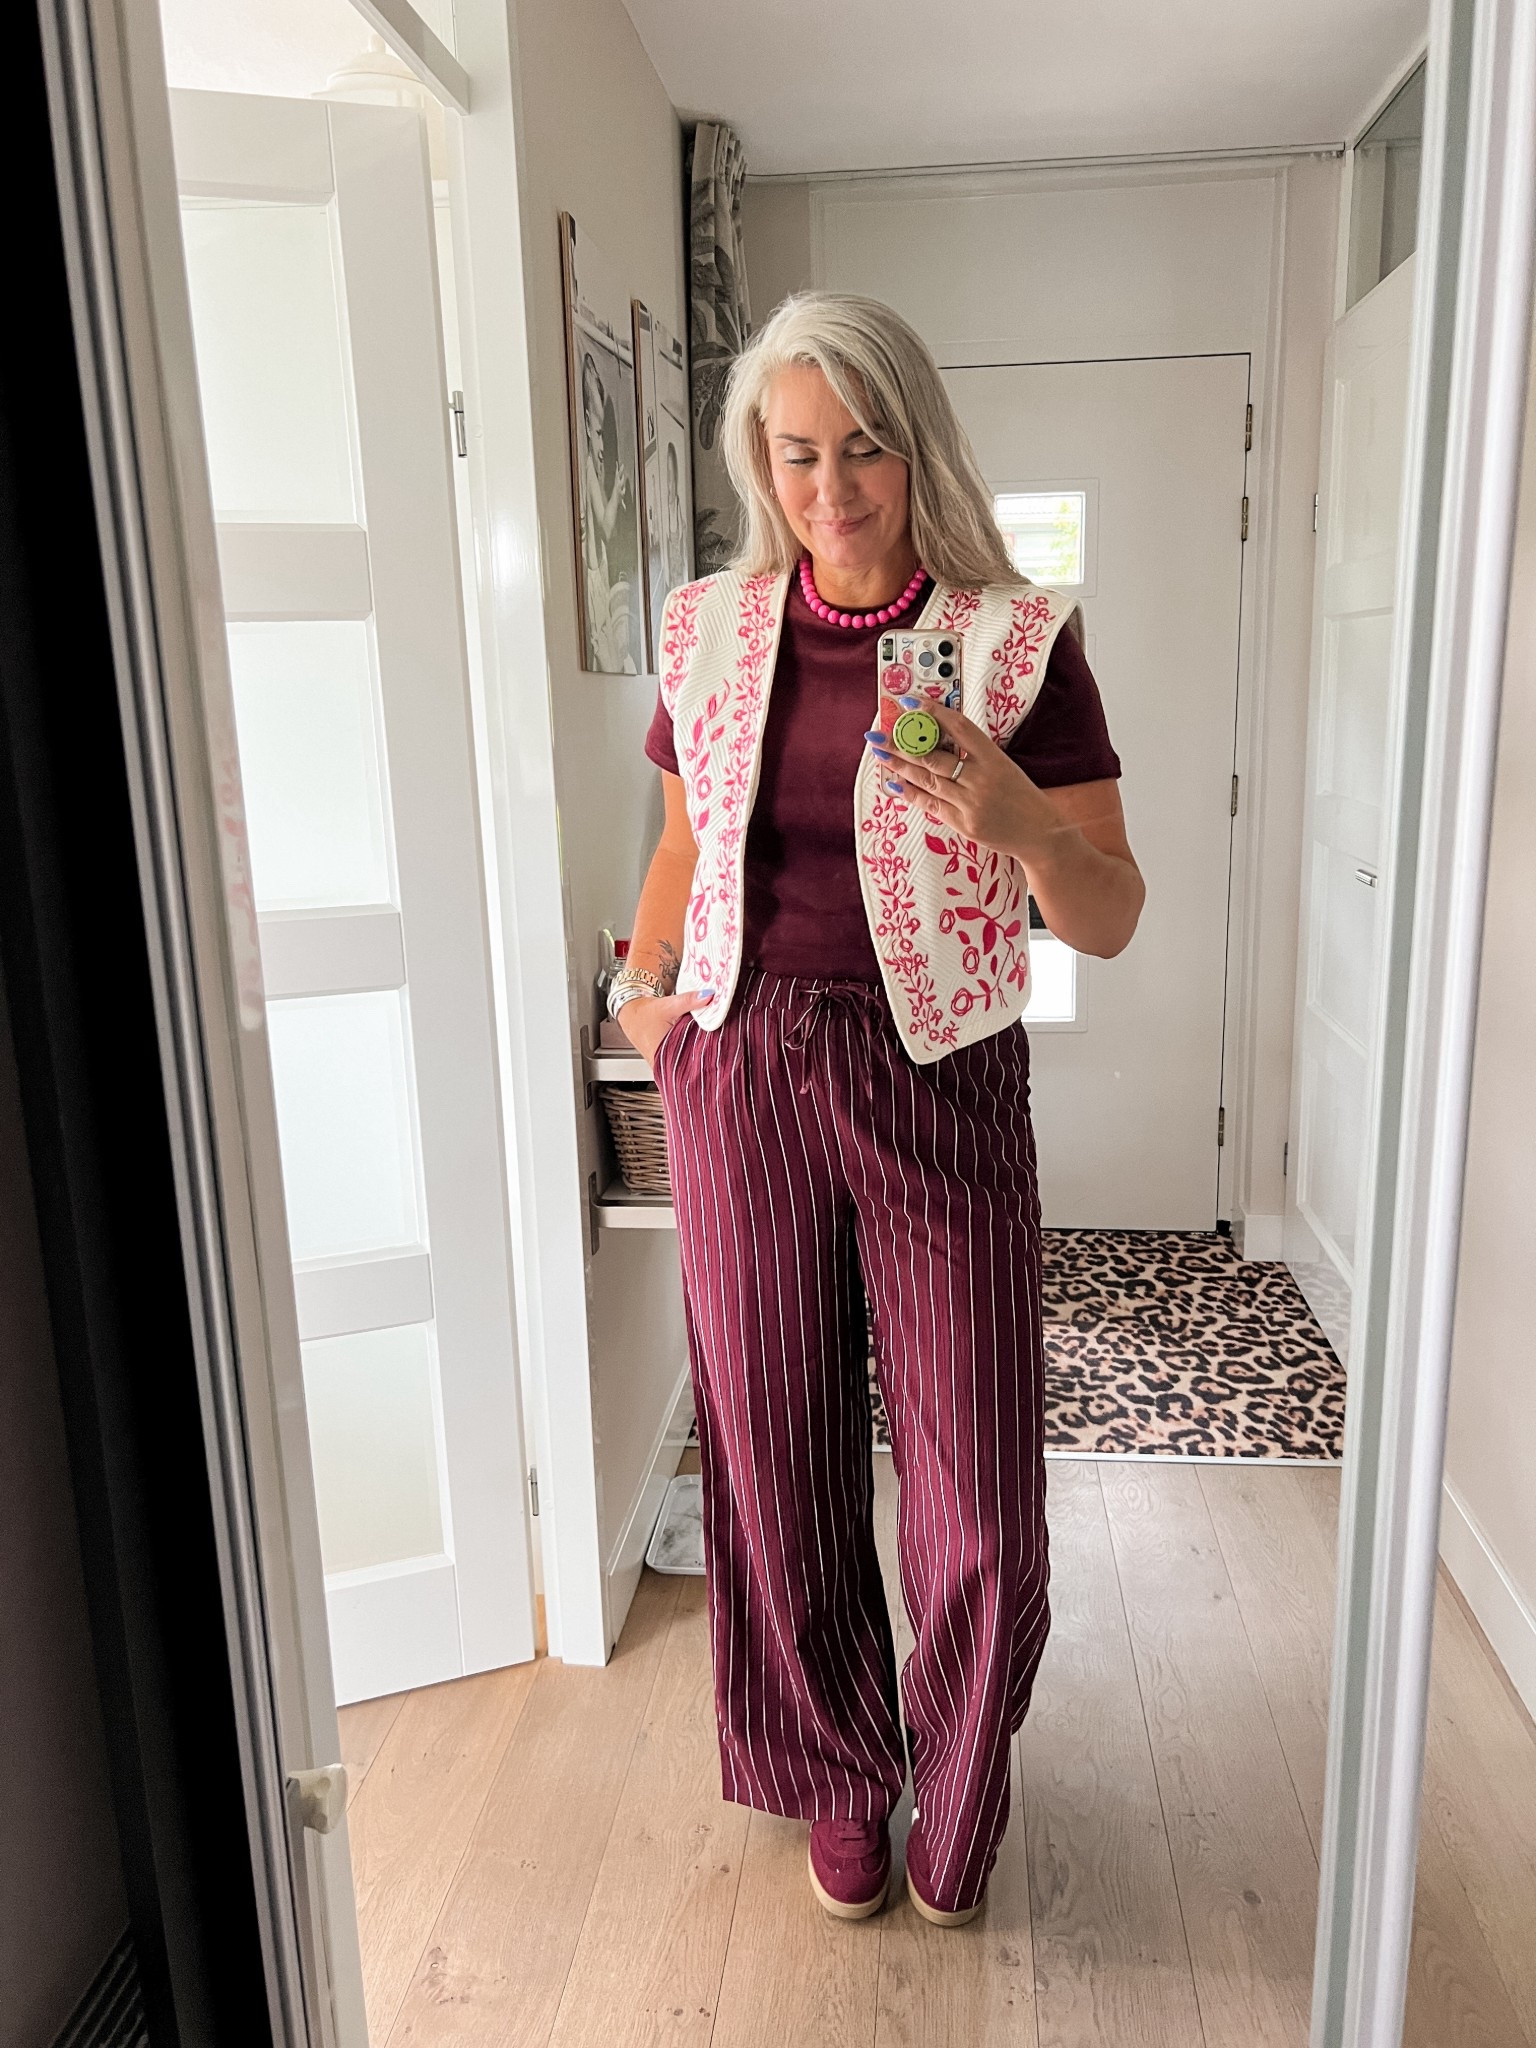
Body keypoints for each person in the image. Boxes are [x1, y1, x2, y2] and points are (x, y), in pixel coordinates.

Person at [607, 293, 1143, 1926]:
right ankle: (840, 1771)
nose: (831, 487)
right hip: (744, 1070)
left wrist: (1015, 814)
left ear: (916, 443)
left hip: (942, 1076)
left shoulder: (1015, 644)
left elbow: (1111, 910)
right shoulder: (709, 627)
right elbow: (693, 842)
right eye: (796, 451)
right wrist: (647, 1001)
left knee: (979, 1489)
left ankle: (958, 1786)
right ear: (758, 461)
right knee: (775, 1455)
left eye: (863, 448)